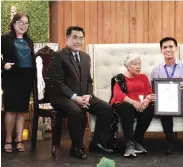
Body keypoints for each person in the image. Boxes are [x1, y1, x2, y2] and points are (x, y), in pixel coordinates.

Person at [48, 26, 113, 160]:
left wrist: (88, 95)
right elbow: (57, 83)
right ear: (67, 39)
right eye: (75, 38)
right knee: (76, 111)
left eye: (81, 38)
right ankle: (76, 147)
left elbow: (89, 80)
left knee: (106, 109)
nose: (78, 41)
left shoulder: (85, 57)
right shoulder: (58, 56)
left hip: (84, 95)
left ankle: (97, 143)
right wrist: (75, 97)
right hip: (63, 97)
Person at [151, 37, 183, 154]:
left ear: (176, 48)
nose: (168, 49)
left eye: (171, 46)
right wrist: (154, 96)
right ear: (161, 50)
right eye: (165, 47)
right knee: (163, 110)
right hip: (165, 100)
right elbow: (154, 90)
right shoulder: (156, 70)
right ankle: (170, 141)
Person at [1, 13, 36, 153]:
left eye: (26, 23)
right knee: (10, 110)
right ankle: (8, 140)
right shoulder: (4, 39)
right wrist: (3, 65)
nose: (23, 25)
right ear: (14, 23)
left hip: (26, 78)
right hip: (11, 77)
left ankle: (19, 139)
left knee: (21, 111)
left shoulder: (29, 41)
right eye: (21, 22)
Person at [110, 54, 156, 157]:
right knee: (127, 108)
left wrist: (146, 101)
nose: (138, 66)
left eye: (139, 63)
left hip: (140, 103)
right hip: (125, 103)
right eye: (135, 64)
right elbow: (118, 95)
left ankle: (137, 141)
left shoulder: (143, 77)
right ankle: (129, 144)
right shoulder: (119, 78)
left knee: (150, 109)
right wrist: (133, 102)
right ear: (127, 66)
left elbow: (149, 92)